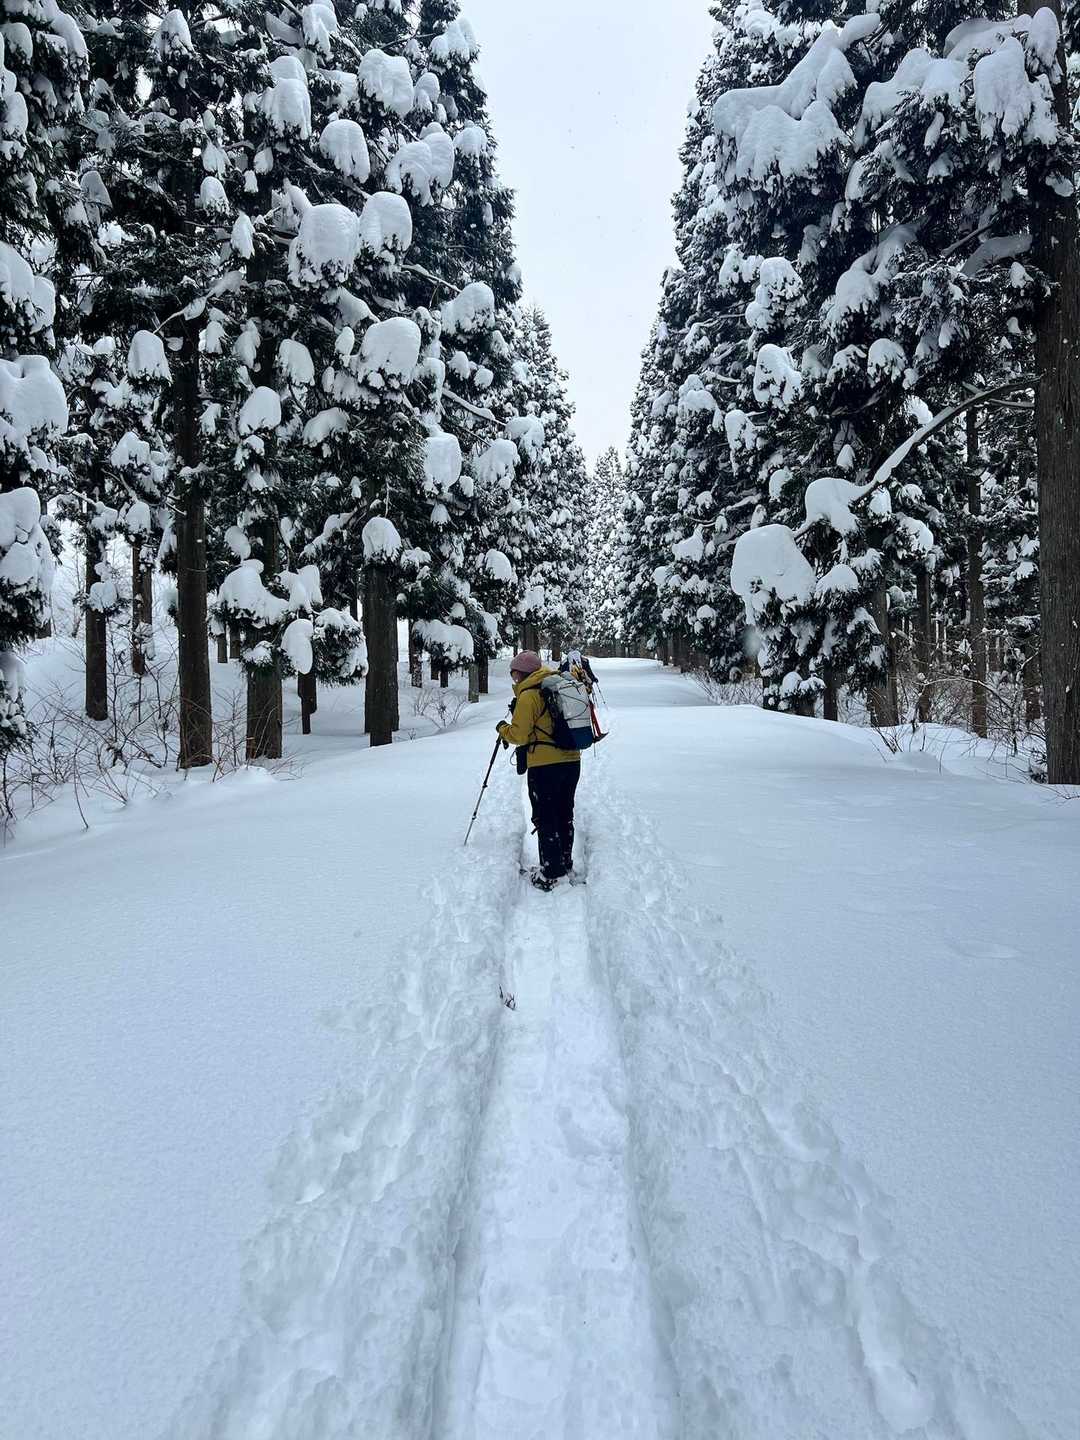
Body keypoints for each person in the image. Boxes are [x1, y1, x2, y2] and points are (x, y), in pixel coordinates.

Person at [497, 650, 580, 890]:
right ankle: (564, 863)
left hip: (545, 765)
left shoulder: (529, 695)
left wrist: (502, 729)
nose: (513, 678)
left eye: (514, 674)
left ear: (522, 673)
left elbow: (519, 735)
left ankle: (551, 874)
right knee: (564, 813)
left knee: (546, 817)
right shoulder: (558, 686)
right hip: (572, 760)